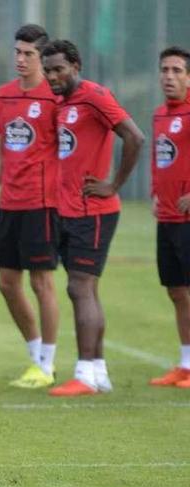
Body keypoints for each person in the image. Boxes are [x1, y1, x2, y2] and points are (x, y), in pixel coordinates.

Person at [41, 40, 145, 397]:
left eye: (58, 69)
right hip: (69, 209)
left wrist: (114, 184)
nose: (52, 76)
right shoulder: (63, 104)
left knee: (78, 287)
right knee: (84, 288)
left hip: (93, 211)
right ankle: (98, 373)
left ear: (76, 65)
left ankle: (84, 374)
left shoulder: (94, 96)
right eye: (48, 70)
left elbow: (134, 136)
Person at [0, 24, 61, 388]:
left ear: (42, 57)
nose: (21, 59)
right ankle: (35, 353)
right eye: (18, 52)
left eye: (28, 54)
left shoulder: (56, 97)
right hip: (8, 205)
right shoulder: (4, 96)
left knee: (42, 282)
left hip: (43, 203)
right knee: (7, 283)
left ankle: (48, 363)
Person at [148, 46, 190, 388]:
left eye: (177, 70)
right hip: (167, 216)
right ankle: (186, 363)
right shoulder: (160, 114)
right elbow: (159, 158)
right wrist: (153, 192)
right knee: (176, 291)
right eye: (165, 70)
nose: (169, 77)